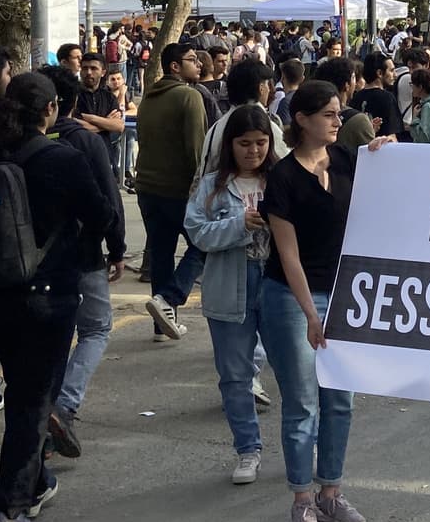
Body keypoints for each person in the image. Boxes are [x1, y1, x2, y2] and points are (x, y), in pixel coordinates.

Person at [0, 73, 114, 522]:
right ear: (51, 109)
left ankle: (33, 483)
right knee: (32, 402)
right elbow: (101, 216)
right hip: (47, 293)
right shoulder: (62, 159)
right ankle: (6, 511)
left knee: (23, 392)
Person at [259, 82, 387, 522]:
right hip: (293, 298)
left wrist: (384, 150)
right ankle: (301, 500)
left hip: (344, 294)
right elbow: (287, 256)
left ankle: (331, 492)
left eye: (339, 113)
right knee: (302, 403)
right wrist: (311, 314)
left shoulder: (348, 161)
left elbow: (389, 185)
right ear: (302, 119)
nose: (339, 120)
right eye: (330, 114)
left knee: (340, 401)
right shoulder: (284, 177)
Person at [185, 104, 278, 485]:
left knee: (294, 374)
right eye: (244, 143)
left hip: (277, 286)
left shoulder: (282, 179)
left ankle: (304, 445)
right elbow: (197, 233)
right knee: (234, 375)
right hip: (229, 288)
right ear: (230, 145)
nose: (253, 151)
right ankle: (247, 449)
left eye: (260, 143)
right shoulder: (211, 186)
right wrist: (237, 224)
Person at [42, 67, 127, 459]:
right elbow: (109, 202)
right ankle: (65, 404)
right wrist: (117, 247)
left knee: (52, 338)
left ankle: (43, 412)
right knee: (95, 328)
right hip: (83, 252)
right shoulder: (85, 144)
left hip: (33, 261)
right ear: (69, 103)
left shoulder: (13, 142)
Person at [137, 44, 209, 341]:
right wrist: (203, 190)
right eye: (192, 60)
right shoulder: (189, 96)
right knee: (205, 245)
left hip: (147, 188)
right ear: (175, 66)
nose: (199, 65)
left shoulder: (147, 98)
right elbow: (197, 150)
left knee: (162, 253)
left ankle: (162, 323)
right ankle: (170, 298)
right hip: (179, 190)